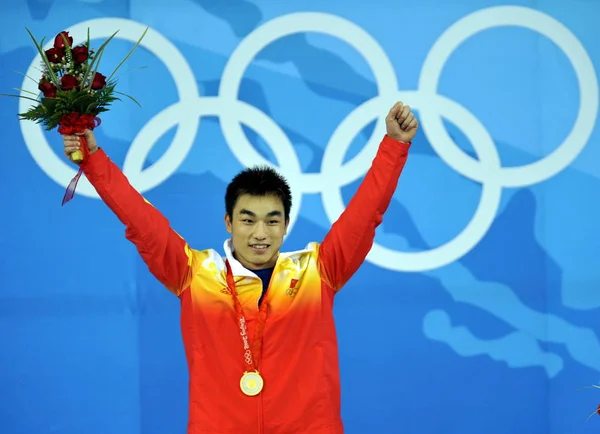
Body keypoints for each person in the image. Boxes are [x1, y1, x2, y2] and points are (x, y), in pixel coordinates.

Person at [62, 101, 418, 433]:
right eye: (248, 220)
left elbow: (365, 214)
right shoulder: (194, 274)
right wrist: (92, 159)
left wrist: (394, 146)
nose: (260, 234)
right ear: (229, 223)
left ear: (285, 225)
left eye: (271, 221)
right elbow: (140, 221)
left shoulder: (318, 271)